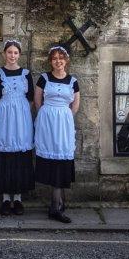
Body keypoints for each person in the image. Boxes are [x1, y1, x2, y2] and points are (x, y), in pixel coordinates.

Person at [34, 45, 80, 223]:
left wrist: (64, 117)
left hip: (64, 124)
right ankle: (56, 205)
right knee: (51, 160)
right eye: (54, 58)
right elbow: (38, 102)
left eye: (61, 58)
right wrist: (47, 117)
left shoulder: (73, 81)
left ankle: (57, 204)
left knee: (62, 159)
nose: (58, 61)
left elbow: (75, 104)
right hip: (47, 123)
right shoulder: (44, 79)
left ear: (66, 60)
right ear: (50, 61)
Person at [0, 39, 35, 216]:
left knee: (20, 156)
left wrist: (21, 114)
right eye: (9, 52)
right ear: (4, 54)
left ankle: (17, 198)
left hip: (21, 119)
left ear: (19, 55)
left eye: (16, 53)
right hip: (4, 118)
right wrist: (3, 115)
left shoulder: (26, 74)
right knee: (4, 155)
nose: (12, 56)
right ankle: (5, 199)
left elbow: (31, 98)